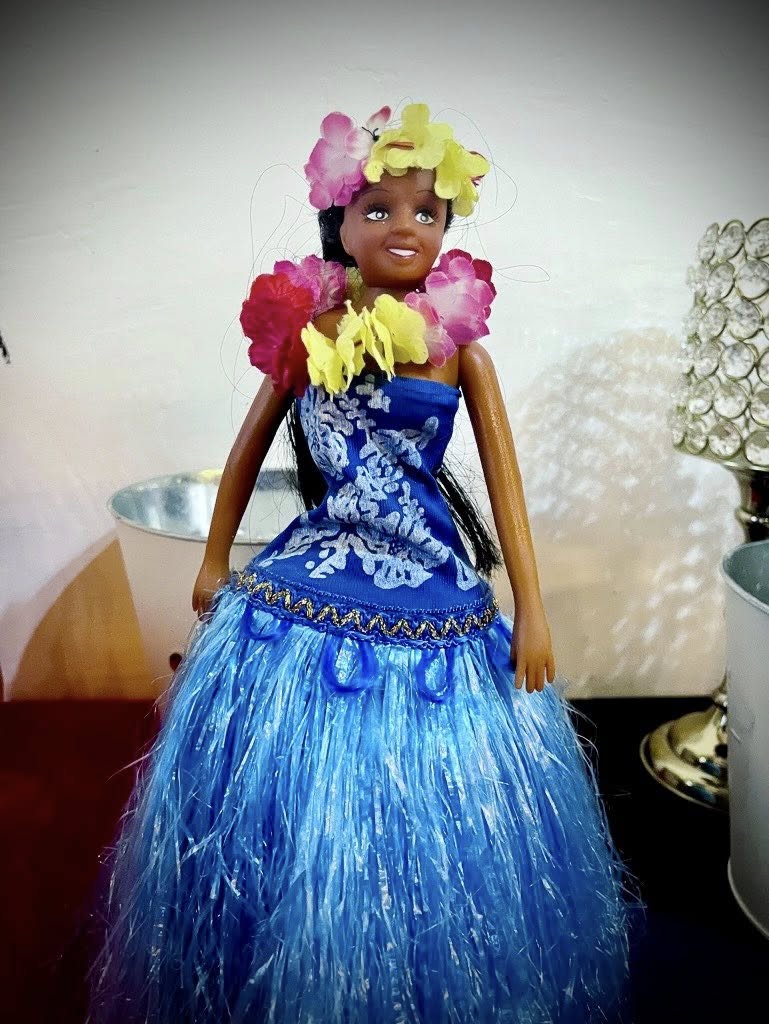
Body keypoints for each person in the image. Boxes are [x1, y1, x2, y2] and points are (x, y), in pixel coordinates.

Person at [89, 103, 628, 1023]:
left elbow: (505, 488)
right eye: (377, 209)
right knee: (271, 769)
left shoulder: (460, 351)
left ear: (448, 228)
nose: (403, 228)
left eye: (426, 212)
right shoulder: (309, 331)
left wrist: (530, 608)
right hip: (314, 564)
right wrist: (214, 558)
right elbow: (247, 450)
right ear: (338, 225)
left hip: (427, 576)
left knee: (443, 790)